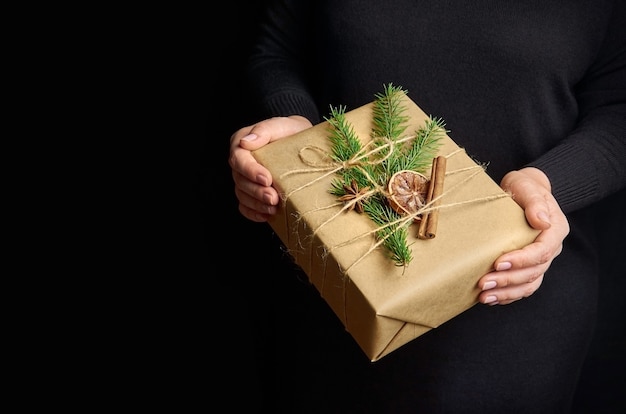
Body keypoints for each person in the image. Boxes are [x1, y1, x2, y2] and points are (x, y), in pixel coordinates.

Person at [227, 1, 626, 412]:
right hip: (337, 277)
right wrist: (291, 129)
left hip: (516, 299)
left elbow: (618, 107)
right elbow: (277, 50)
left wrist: (546, 183)